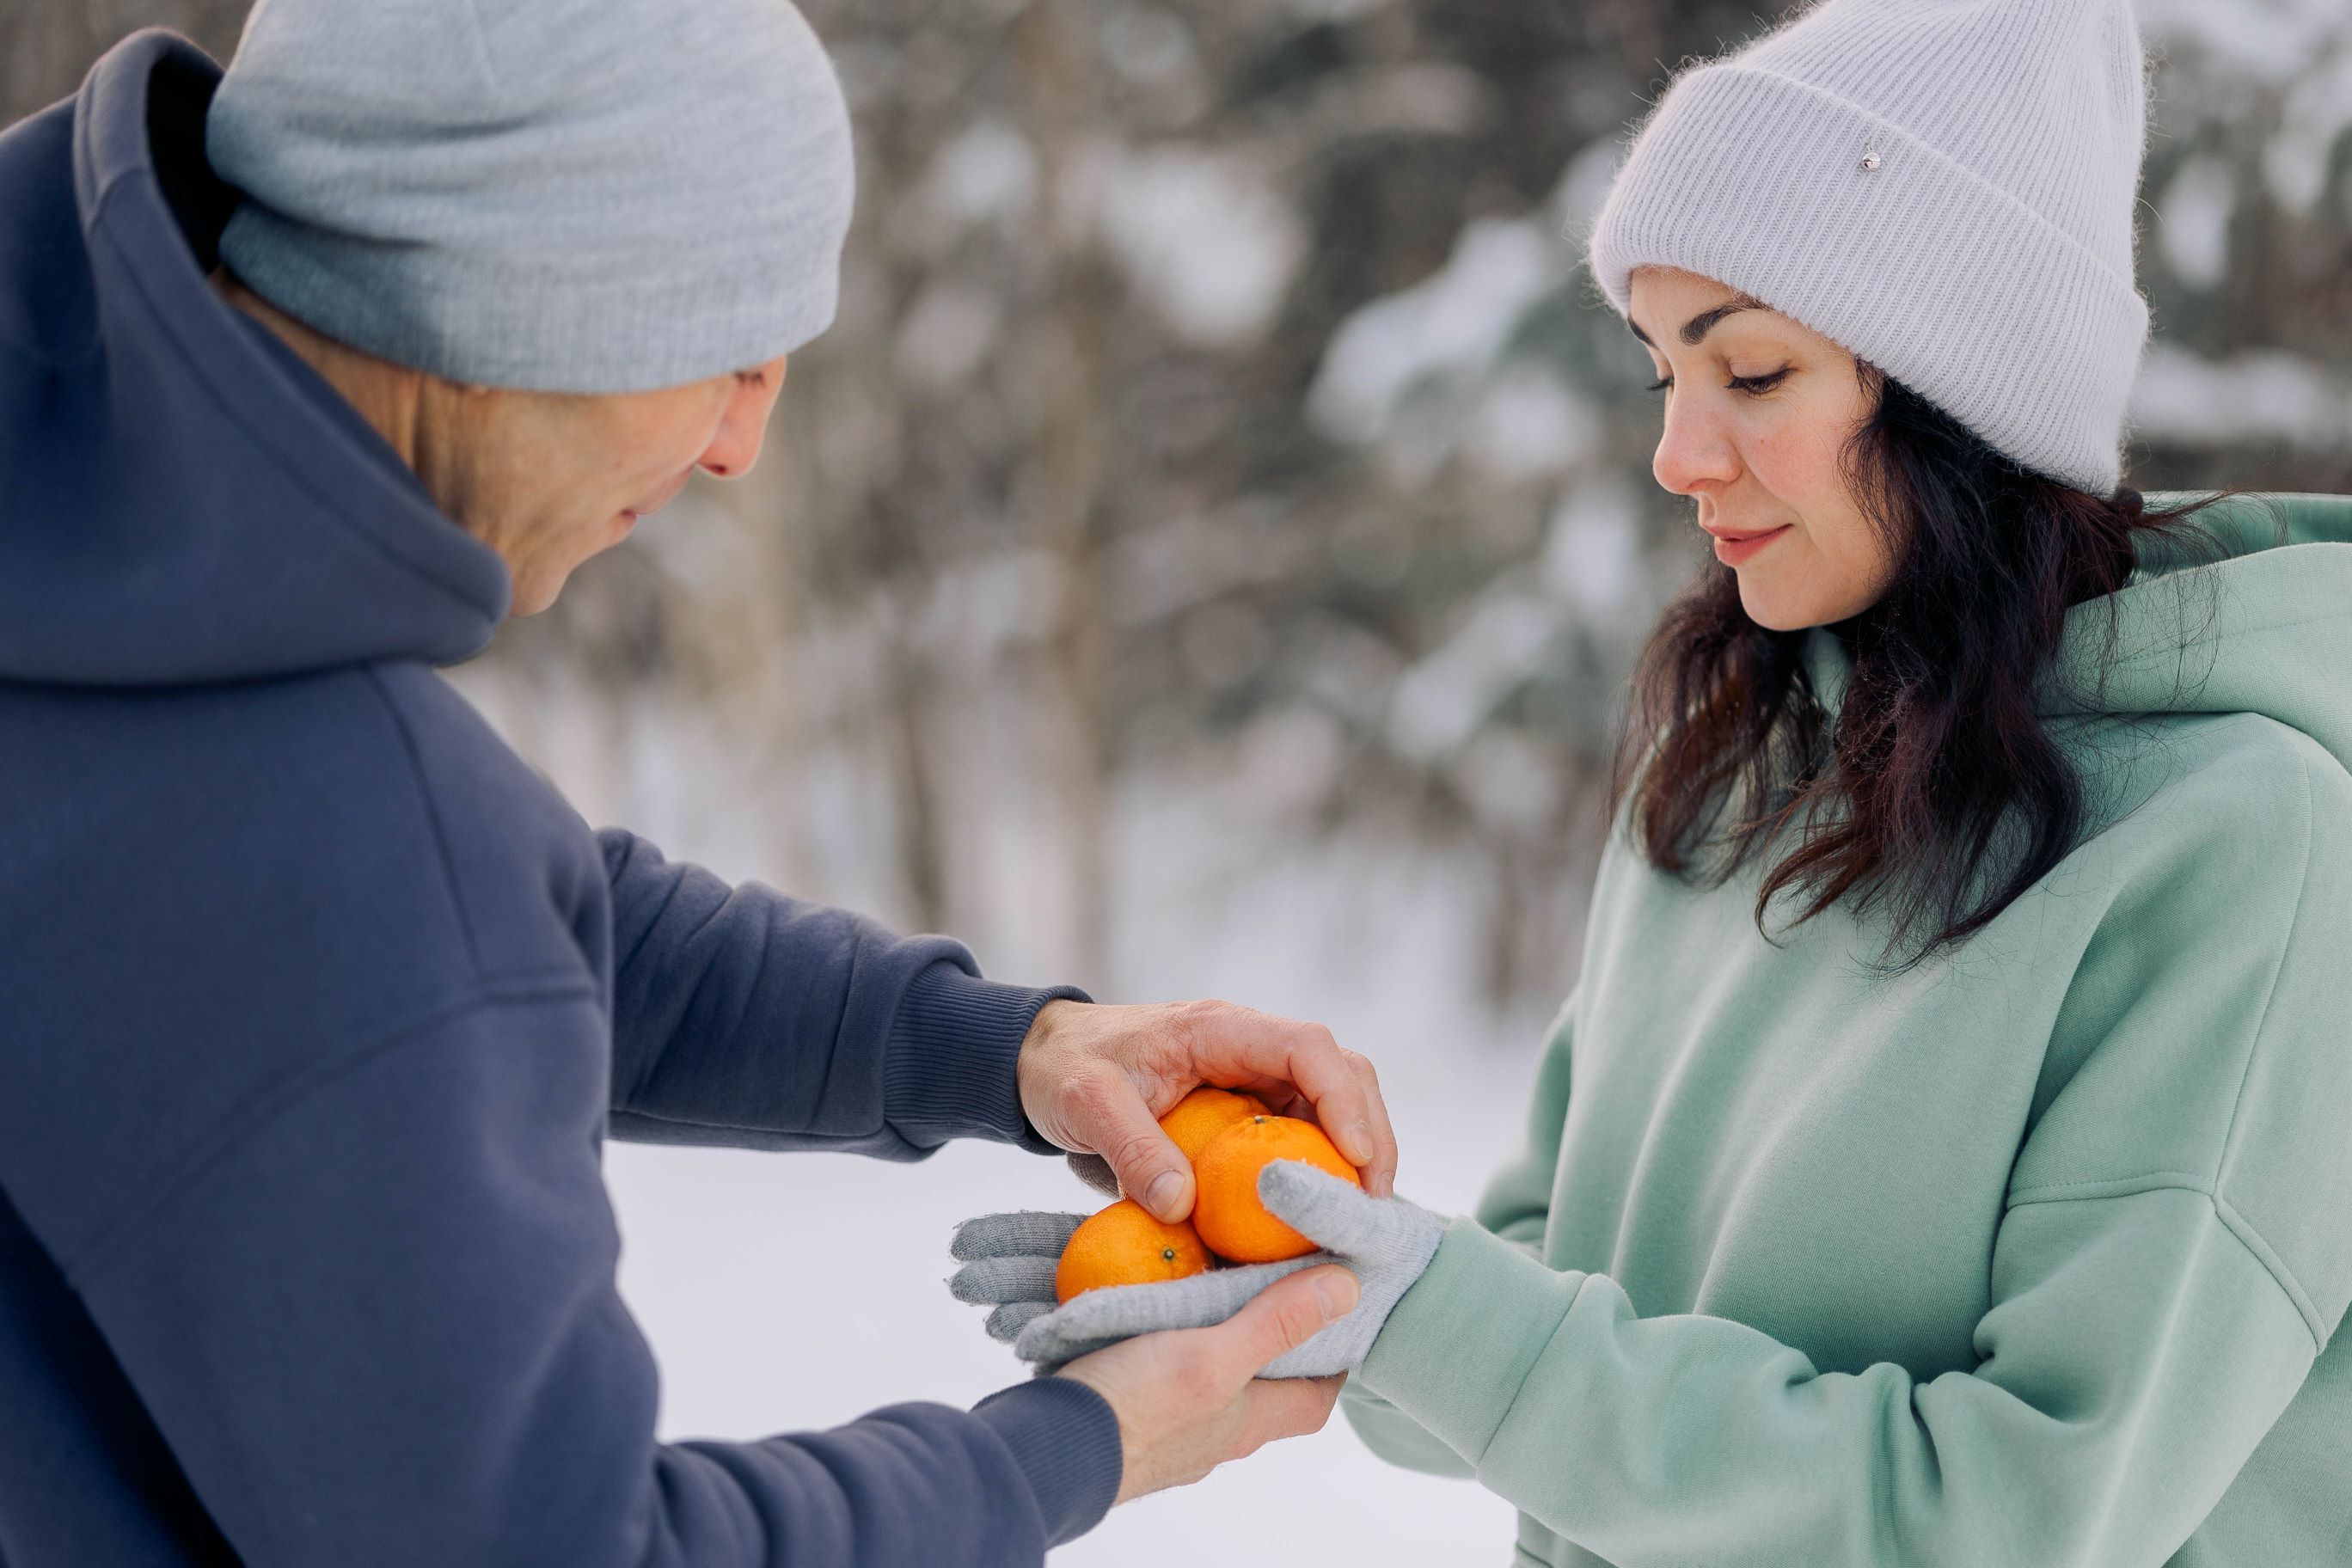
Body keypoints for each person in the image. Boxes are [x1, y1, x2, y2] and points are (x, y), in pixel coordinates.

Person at [953, 0, 2352, 1560]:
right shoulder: (1739, 766)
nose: (1679, 454)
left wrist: (1455, 1324)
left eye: (1750, 371)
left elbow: (2015, 1515)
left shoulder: (2245, 849)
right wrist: (1312, 1288)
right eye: (1660, 374)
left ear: (1972, 397)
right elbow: (1555, 1294)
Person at [0, 3, 1396, 1565]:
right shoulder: (329, 839)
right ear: (521, 303)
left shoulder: (105, 593)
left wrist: (1010, 1046)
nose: (742, 447)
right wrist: (1084, 1448)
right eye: (726, 355)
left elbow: (510, 932)